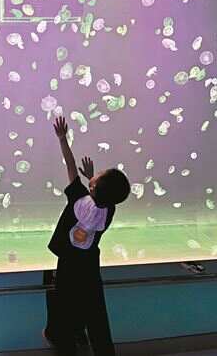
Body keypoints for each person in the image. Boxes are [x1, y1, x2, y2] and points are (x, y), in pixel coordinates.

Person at [43, 116, 130, 356]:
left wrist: (62, 138)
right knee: (96, 312)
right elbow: (104, 196)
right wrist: (93, 178)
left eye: (98, 175)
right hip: (89, 265)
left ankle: (65, 342)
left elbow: (70, 165)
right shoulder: (108, 211)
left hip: (69, 264)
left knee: (65, 306)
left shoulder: (78, 198)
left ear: (92, 187)